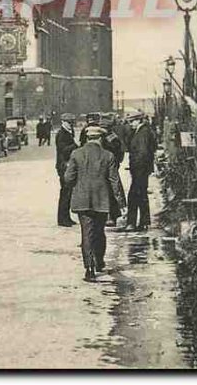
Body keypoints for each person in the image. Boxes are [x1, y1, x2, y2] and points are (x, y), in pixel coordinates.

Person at [65, 125, 125, 282]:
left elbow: (68, 178)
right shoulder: (108, 155)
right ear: (100, 138)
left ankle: (89, 269)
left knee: (87, 233)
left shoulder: (76, 154)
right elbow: (114, 181)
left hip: (82, 200)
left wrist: (78, 186)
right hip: (102, 200)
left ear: (87, 138)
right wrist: (121, 201)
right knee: (99, 231)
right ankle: (99, 262)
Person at [126, 113, 157, 232]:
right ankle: (143, 222)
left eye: (132, 121)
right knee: (141, 195)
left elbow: (143, 153)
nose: (130, 124)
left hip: (140, 170)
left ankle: (133, 223)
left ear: (138, 121)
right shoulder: (144, 131)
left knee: (134, 195)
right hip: (142, 169)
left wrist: (136, 166)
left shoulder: (143, 133)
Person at [100, 116, 127, 227]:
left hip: (109, 168)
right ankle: (109, 216)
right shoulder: (110, 137)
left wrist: (115, 164)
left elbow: (118, 153)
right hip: (108, 168)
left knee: (111, 192)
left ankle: (112, 216)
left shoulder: (111, 139)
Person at [55, 116, 78, 227]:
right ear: (63, 122)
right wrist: (74, 146)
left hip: (66, 165)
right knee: (65, 192)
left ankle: (66, 217)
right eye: (68, 122)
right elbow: (63, 150)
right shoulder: (62, 134)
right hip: (63, 165)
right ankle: (62, 219)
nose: (70, 124)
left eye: (71, 122)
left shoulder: (68, 132)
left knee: (68, 193)